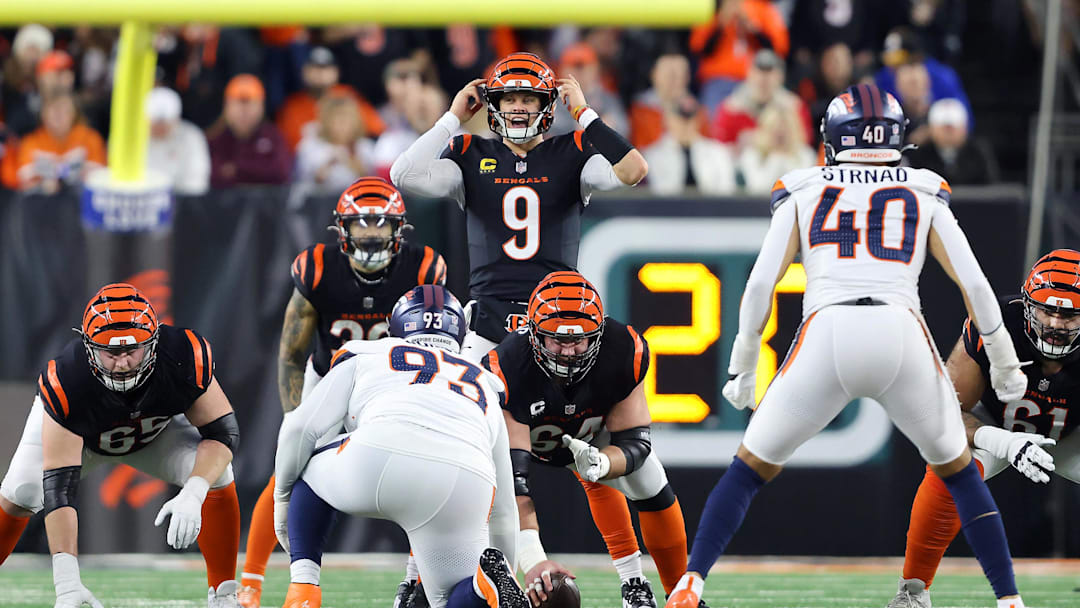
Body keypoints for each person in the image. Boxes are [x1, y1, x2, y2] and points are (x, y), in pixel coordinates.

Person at [663, 84, 1030, 608]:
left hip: (828, 331)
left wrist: (743, 365)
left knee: (746, 472)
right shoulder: (923, 188)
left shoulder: (803, 186)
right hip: (900, 331)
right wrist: (1005, 364)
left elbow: (761, 283)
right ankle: (1009, 601)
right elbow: (974, 285)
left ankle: (691, 582)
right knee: (960, 475)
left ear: (835, 138)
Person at [236, 177, 447, 608]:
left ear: (399, 228)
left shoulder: (423, 268)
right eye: (361, 224)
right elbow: (292, 353)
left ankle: (417, 579)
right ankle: (250, 585)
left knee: (425, 471)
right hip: (330, 380)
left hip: (392, 386)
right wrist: (297, 419)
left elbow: (439, 342)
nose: (371, 234)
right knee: (287, 472)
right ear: (342, 229)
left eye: (381, 223)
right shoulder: (317, 268)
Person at [272, 285, 526, 608]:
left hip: (380, 454)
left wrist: (282, 499)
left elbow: (300, 429)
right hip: (466, 477)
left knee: (305, 461)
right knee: (447, 598)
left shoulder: (368, 353)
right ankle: (482, 587)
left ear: (395, 327)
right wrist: (507, 568)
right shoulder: (484, 382)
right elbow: (504, 510)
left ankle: (303, 589)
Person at [390, 51, 648, 362]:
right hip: (487, 319)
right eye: (509, 99)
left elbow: (633, 170)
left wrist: (584, 114)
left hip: (555, 317)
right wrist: (452, 119)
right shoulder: (470, 152)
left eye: (528, 99)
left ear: (546, 105)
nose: (518, 108)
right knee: (472, 391)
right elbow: (404, 174)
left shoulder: (572, 150)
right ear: (494, 105)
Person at [0, 284, 242, 607]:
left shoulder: (183, 356)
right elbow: (59, 489)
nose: (122, 363)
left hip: (155, 435)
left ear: (154, 342)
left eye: (132, 351)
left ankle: (224, 595)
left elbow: (223, 434)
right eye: (111, 353)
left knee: (218, 472)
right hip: (85, 442)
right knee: (23, 490)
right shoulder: (68, 378)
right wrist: (67, 584)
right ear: (89, 348)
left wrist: (195, 491)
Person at [482, 271, 692, 608]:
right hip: (531, 439)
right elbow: (515, 488)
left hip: (593, 432)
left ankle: (678, 595)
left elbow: (635, 442)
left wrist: (604, 462)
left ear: (598, 333)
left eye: (579, 340)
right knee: (489, 496)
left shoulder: (623, 349)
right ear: (534, 334)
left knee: (649, 480)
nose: (569, 352)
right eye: (557, 340)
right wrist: (534, 561)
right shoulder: (508, 367)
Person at [886, 249, 1080, 608]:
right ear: (1026, 305)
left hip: (1071, 433)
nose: (1055, 323)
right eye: (1046, 310)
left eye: (1068, 315)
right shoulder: (995, 324)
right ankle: (912, 592)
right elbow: (944, 413)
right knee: (948, 464)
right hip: (995, 421)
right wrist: (1003, 442)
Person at [207, 74, 292, 188]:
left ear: (261, 107)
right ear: (227, 107)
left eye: (250, 105)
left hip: (267, 199)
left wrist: (236, 169)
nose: (244, 112)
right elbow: (211, 175)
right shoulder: (215, 137)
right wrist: (259, 170)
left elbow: (281, 173)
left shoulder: (273, 136)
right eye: (238, 105)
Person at [146, 86, 211, 195]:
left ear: (176, 118)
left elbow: (197, 179)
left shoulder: (192, 136)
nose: (160, 127)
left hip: (183, 200)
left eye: (165, 123)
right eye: (156, 123)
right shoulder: (133, 139)